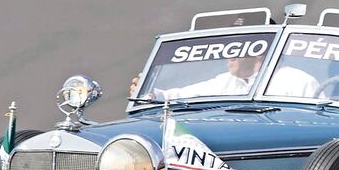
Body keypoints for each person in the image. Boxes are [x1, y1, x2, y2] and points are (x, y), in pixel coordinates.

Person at [130, 52, 319, 100]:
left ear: (260, 52)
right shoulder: (225, 82)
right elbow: (182, 95)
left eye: (240, 47)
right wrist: (150, 92)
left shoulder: (298, 81)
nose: (230, 55)